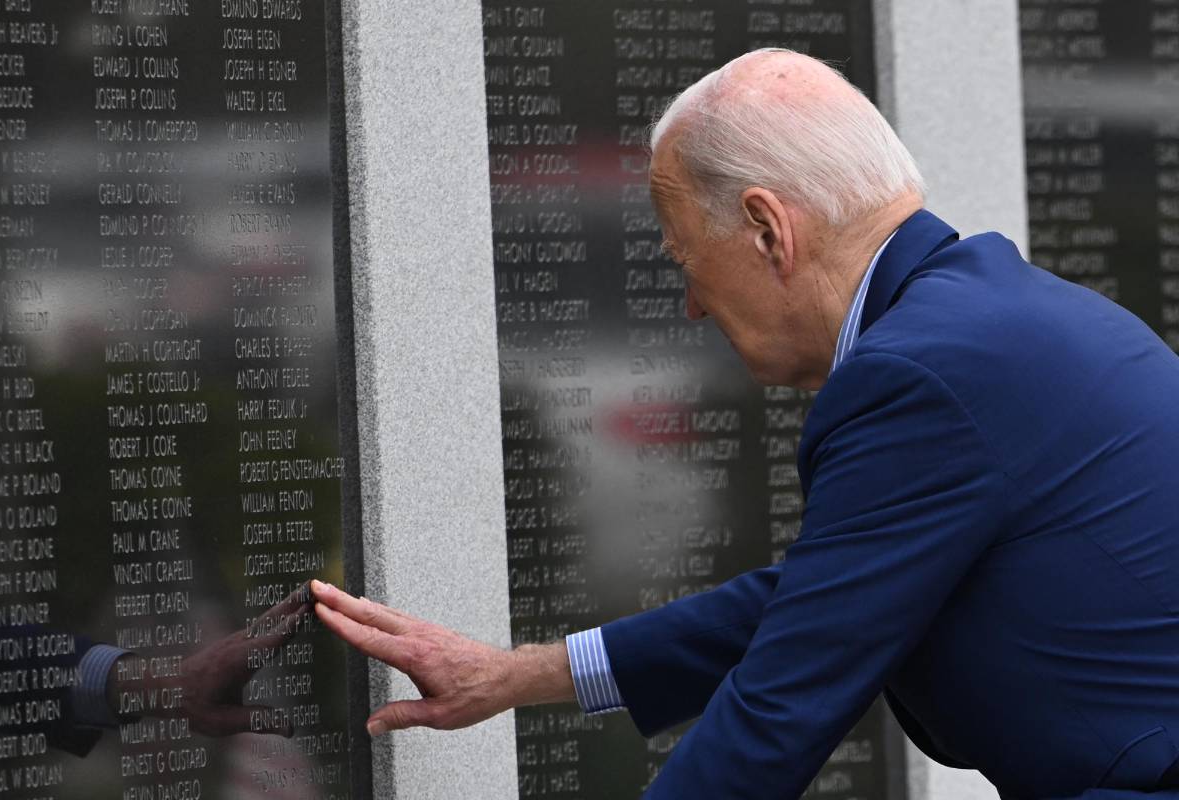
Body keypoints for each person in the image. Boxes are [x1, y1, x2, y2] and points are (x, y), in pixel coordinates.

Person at [311, 49, 1179, 799]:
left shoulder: (922, 373)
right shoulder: (992, 318)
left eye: (688, 259)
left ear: (768, 229)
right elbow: (821, 595)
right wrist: (513, 678)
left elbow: (784, 698)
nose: (690, 304)